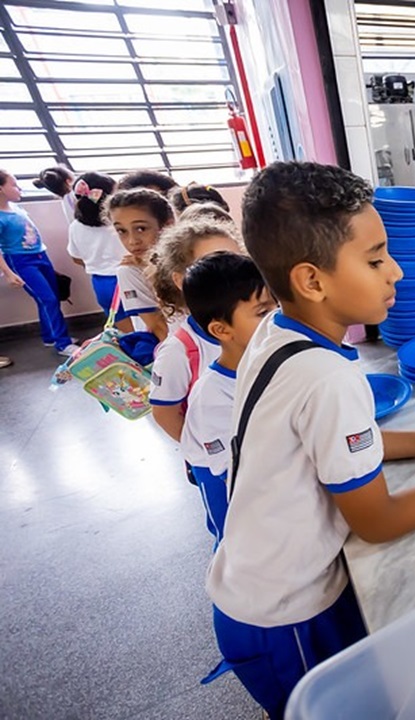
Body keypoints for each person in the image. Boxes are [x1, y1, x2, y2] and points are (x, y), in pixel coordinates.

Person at [206, 161, 415, 719]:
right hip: (285, 613)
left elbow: (331, 447)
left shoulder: (278, 330)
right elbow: (377, 522)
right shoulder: (328, 378)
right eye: (375, 259)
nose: (395, 272)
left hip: (255, 588)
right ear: (312, 280)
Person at [180, 252, 276, 547]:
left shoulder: (269, 360)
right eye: (263, 312)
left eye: (278, 305)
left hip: (263, 464)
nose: (278, 317)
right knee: (235, 543)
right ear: (222, 330)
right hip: (219, 475)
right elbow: (230, 471)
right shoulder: (212, 395)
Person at [146, 219, 243, 442]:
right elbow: (164, 413)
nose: (233, 275)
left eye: (237, 262)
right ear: (181, 281)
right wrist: (203, 456)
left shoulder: (263, 326)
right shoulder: (179, 351)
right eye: (213, 266)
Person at [0, 169, 78, 356]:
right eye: (13, 184)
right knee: (48, 300)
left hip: (40, 257)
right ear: (0, 189)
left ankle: (50, 336)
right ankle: (62, 343)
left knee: (50, 298)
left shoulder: (15, 209)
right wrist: (9, 273)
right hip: (21, 262)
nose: (19, 188)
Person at [66, 172, 134, 333]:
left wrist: (97, 264)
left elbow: (76, 258)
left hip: (101, 284)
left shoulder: (75, 226)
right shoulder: (120, 224)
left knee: (131, 335)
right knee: (152, 328)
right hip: (129, 279)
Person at [106, 188, 175, 341]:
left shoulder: (182, 260)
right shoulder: (130, 271)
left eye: (141, 229)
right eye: (122, 231)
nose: (132, 241)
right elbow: (159, 327)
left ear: (167, 225)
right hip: (178, 353)